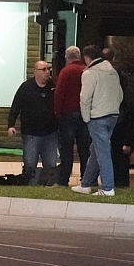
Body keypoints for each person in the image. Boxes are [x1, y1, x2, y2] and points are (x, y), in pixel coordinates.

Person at [71, 45, 123, 196]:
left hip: (98, 117)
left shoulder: (89, 73)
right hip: (113, 114)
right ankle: (86, 184)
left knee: (102, 152)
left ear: (87, 58)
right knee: (97, 150)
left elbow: (84, 97)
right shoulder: (112, 71)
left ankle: (108, 188)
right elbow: (120, 94)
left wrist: (86, 117)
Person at [7, 60, 59, 186]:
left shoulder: (53, 86)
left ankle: (48, 185)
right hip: (31, 134)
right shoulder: (26, 87)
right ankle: (28, 185)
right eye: (44, 69)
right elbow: (16, 106)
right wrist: (11, 125)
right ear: (36, 72)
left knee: (51, 164)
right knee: (30, 163)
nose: (47, 72)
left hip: (50, 133)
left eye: (48, 69)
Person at [101, 47, 134, 188]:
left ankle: (116, 184)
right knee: (119, 159)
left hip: (117, 126)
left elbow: (130, 109)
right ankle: (117, 184)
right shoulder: (121, 78)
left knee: (117, 159)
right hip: (119, 126)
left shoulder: (111, 77)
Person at [54, 45, 91, 187]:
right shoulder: (86, 71)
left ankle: (63, 180)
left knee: (67, 149)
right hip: (84, 114)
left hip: (68, 115)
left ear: (67, 57)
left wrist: (57, 113)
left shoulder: (66, 72)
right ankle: (86, 179)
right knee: (84, 150)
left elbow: (59, 94)